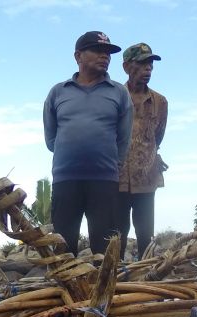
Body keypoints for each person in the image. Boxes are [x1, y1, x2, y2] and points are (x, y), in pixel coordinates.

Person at [44, 31, 133, 258]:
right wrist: (72, 153)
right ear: (78, 56)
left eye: (108, 52)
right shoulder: (58, 92)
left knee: (105, 251)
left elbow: (123, 138)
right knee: (63, 249)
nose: (105, 56)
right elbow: (51, 139)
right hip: (66, 179)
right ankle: (66, 292)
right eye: (97, 50)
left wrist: (111, 162)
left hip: (104, 181)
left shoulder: (119, 93)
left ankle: (105, 293)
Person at [117, 43, 167, 261]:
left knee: (145, 230)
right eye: (142, 64)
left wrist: (149, 156)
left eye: (151, 65)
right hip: (116, 176)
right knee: (117, 230)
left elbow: (158, 136)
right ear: (127, 66)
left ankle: (146, 272)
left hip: (147, 175)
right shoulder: (115, 96)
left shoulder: (160, 102)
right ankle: (115, 273)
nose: (148, 69)